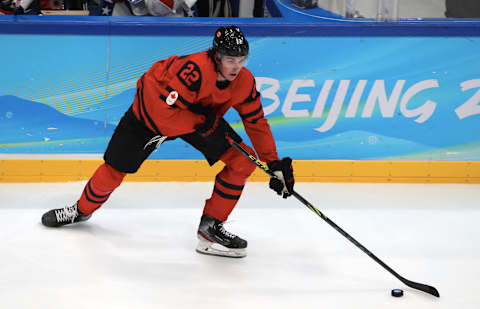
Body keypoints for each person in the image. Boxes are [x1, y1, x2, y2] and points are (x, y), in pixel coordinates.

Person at [41, 25, 295, 258]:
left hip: (198, 116)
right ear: (216, 57)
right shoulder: (193, 71)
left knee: (242, 160)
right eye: (230, 60)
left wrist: (273, 163)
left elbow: (256, 122)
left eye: (241, 60)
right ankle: (80, 210)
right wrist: (199, 121)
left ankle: (211, 227)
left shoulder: (244, 81)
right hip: (149, 114)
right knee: (114, 171)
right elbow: (163, 118)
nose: (236, 67)